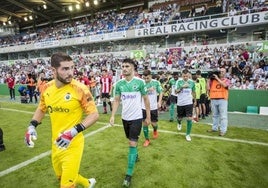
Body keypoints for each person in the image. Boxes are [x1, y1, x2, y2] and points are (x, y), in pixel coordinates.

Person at [24, 52, 99, 188]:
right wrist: (32, 126)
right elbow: (41, 108)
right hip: (56, 144)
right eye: (65, 69)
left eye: (71, 68)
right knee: (61, 177)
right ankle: (88, 183)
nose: (70, 72)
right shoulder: (47, 88)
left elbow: (94, 115)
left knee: (66, 185)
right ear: (53, 70)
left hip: (73, 144)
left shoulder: (80, 89)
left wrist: (73, 132)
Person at [109, 58, 151, 187]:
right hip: (124, 118)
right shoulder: (119, 84)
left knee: (132, 143)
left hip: (137, 118)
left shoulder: (140, 82)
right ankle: (136, 154)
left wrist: (147, 116)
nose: (124, 68)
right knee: (131, 140)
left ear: (133, 68)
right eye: (123, 66)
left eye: (127, 66)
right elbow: (116, 100)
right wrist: (112, 116)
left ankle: (128, 175)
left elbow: (146, 99)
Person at [142, 70, 163, 147]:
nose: (146, 80)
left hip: (153, 107)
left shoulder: (156, 82)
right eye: (145, 78)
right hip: (143, 107)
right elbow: (139, 93)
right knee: (145, 123)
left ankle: (155, 130)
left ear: (150, 76)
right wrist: (148, 90)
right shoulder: (142, 83)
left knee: (154, 124)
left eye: (147, 78)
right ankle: (147, 140)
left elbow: (161, 92)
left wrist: (159, 101)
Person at [207, 68, 230, 136]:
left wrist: (217, 78)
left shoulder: (227, 80)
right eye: (220, 71)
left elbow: (225, 85)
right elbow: (208, 89)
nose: (221, 72)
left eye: (223, 71)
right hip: (213, 99)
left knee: (223, 116)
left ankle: (223, 130)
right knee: (214, 115)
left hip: (222, 99)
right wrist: (208, 81)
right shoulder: (212, 80)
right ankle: (214, 128)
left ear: (225, 73)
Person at [175, 69, 196, 141]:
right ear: (182, 75)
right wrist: (182, 87)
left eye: (187, 76)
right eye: (184, 76)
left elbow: (193, 92)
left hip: (189, 102)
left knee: (189, 118)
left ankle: (188, 134)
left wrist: (195, 100)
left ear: (189, 75)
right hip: (180, 103)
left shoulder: (192, 82)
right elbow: (176, 91)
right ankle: (179, 123)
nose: (185, 77)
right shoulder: (178, 81)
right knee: (179, 118)